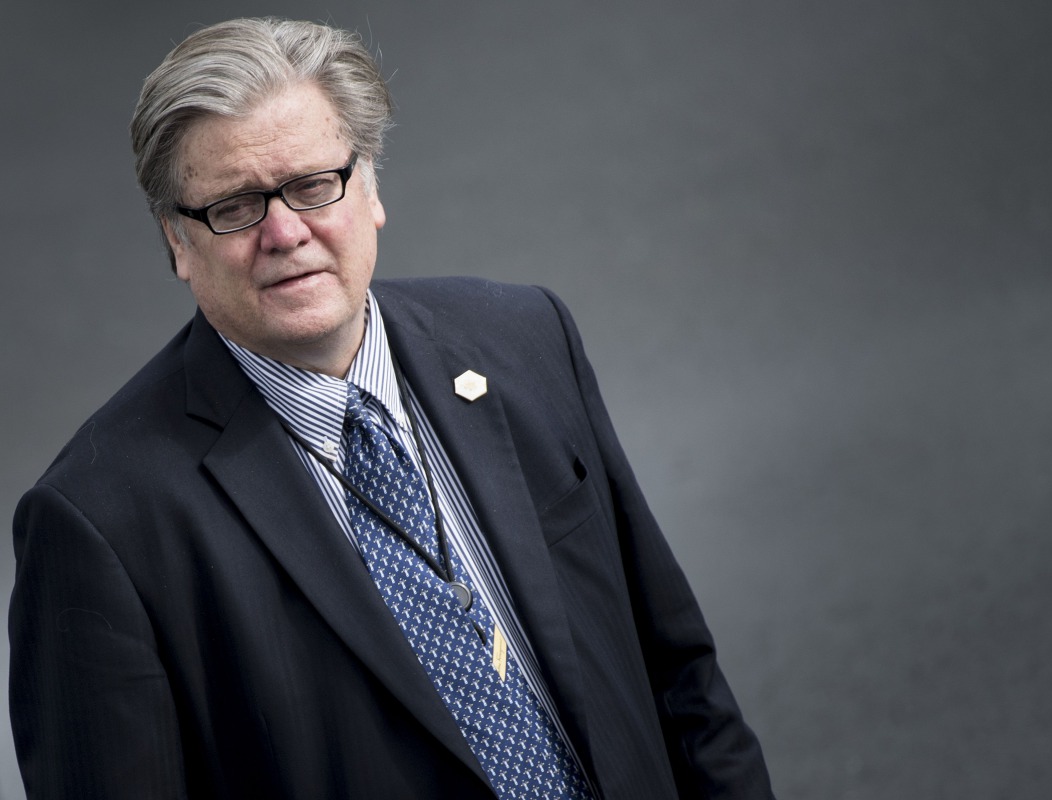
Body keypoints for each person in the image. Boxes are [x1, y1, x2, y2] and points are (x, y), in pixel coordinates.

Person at [9, 17, 774, 799]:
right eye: (236, 206)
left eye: (313, 185)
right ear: (178, 240)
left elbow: (681, 681)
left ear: (370, 186)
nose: (285, 232)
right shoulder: (99, 524)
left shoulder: (527, 341)